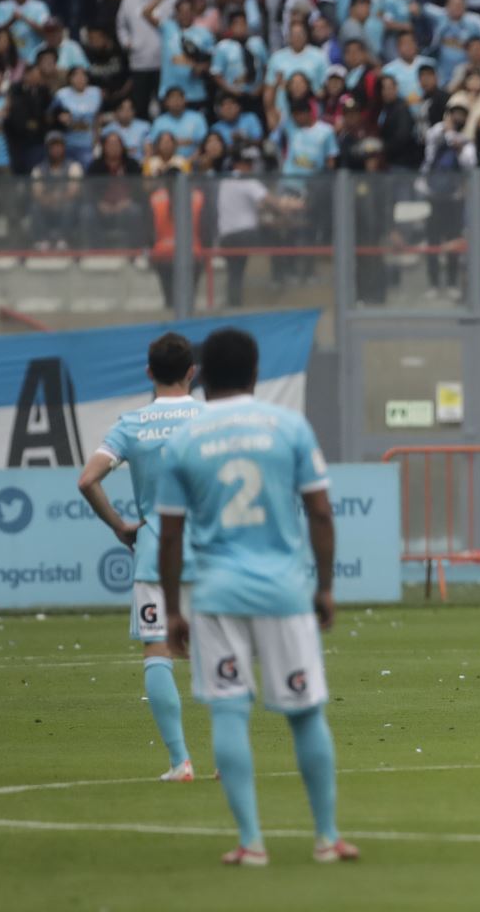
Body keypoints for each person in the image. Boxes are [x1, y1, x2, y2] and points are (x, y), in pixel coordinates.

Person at [154, 328, 356, 865]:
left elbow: (169, 535)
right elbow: (319, 512)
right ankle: (327, 837)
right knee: (306, 711)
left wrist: (173, 609)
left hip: (218, 594)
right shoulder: (287, 426)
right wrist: (327, 587)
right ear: (255, 372)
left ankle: (251, 842)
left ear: (204, 374)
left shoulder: (186, 441)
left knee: (228, 711)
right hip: (285, 593)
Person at [73, 333, 203, 783]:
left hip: (154, 555)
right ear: (192, 372)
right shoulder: (213, 418)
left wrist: (119, 526)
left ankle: (180, 762)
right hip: (212, 554)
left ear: (149, 373)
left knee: (158, 652)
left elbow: (88, 479)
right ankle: (229, 760)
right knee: (221, 653)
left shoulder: (132, 424)